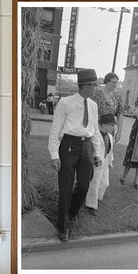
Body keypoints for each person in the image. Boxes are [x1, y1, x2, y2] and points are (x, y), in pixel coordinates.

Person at [48, 69, 103, 242]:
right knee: (66, 187)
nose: (96, 89)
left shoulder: (93, 105)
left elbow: (94, 131)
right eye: (94, 86)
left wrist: (97, 153)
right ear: (86, 86)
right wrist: (54, 155)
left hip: (86, 146)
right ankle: (63, 227)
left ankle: (70, 212)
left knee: (84, 186)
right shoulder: (65, 102)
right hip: (69, 145)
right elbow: (56, 129)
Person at [84, 113, 116, 216]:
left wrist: (110, 161)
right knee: (95, 183)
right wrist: (93, 160)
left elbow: (110, 150)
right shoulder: (95, 134)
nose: (113, 127)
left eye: (113, 125)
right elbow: (90, 149)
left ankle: (96, 197)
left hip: (105, 161)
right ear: (103, 124)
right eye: (111, 125)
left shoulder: (110, 136)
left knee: (105, 182)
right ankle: (91, 204)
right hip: (96, 161)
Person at [92, 72, 124, 143]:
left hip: (109, 130)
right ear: (106, 82)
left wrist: (119, 132)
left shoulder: (117, 96)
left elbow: (120, 114)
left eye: (116, 83)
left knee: (107, 150)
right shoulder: (95, 94)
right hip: (96, 127)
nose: (115, 85)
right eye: (113, 82)